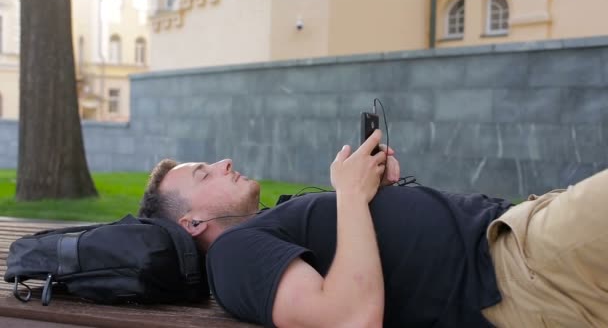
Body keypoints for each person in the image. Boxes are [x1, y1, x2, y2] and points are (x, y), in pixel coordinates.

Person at [138, 130, 608, 327]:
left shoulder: (264, 228)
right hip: (522, 265)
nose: (224, 163)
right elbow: (350, 319)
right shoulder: (231, 255)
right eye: (205, 174)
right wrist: (348, 195)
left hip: (526, 243)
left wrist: (380, 196)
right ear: (193, 222)